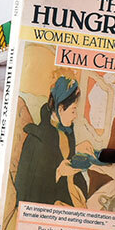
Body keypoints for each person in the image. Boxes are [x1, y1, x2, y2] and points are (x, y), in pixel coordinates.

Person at [13, 76, 90, 208]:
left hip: (68, 194)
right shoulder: (36, 141)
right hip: (47, 205)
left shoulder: (67, 131)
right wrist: (58, 173)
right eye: (73, 110)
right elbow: (28, 193)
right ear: (60, 109)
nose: (75, 116)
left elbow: (64, 157)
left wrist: (77, 151)